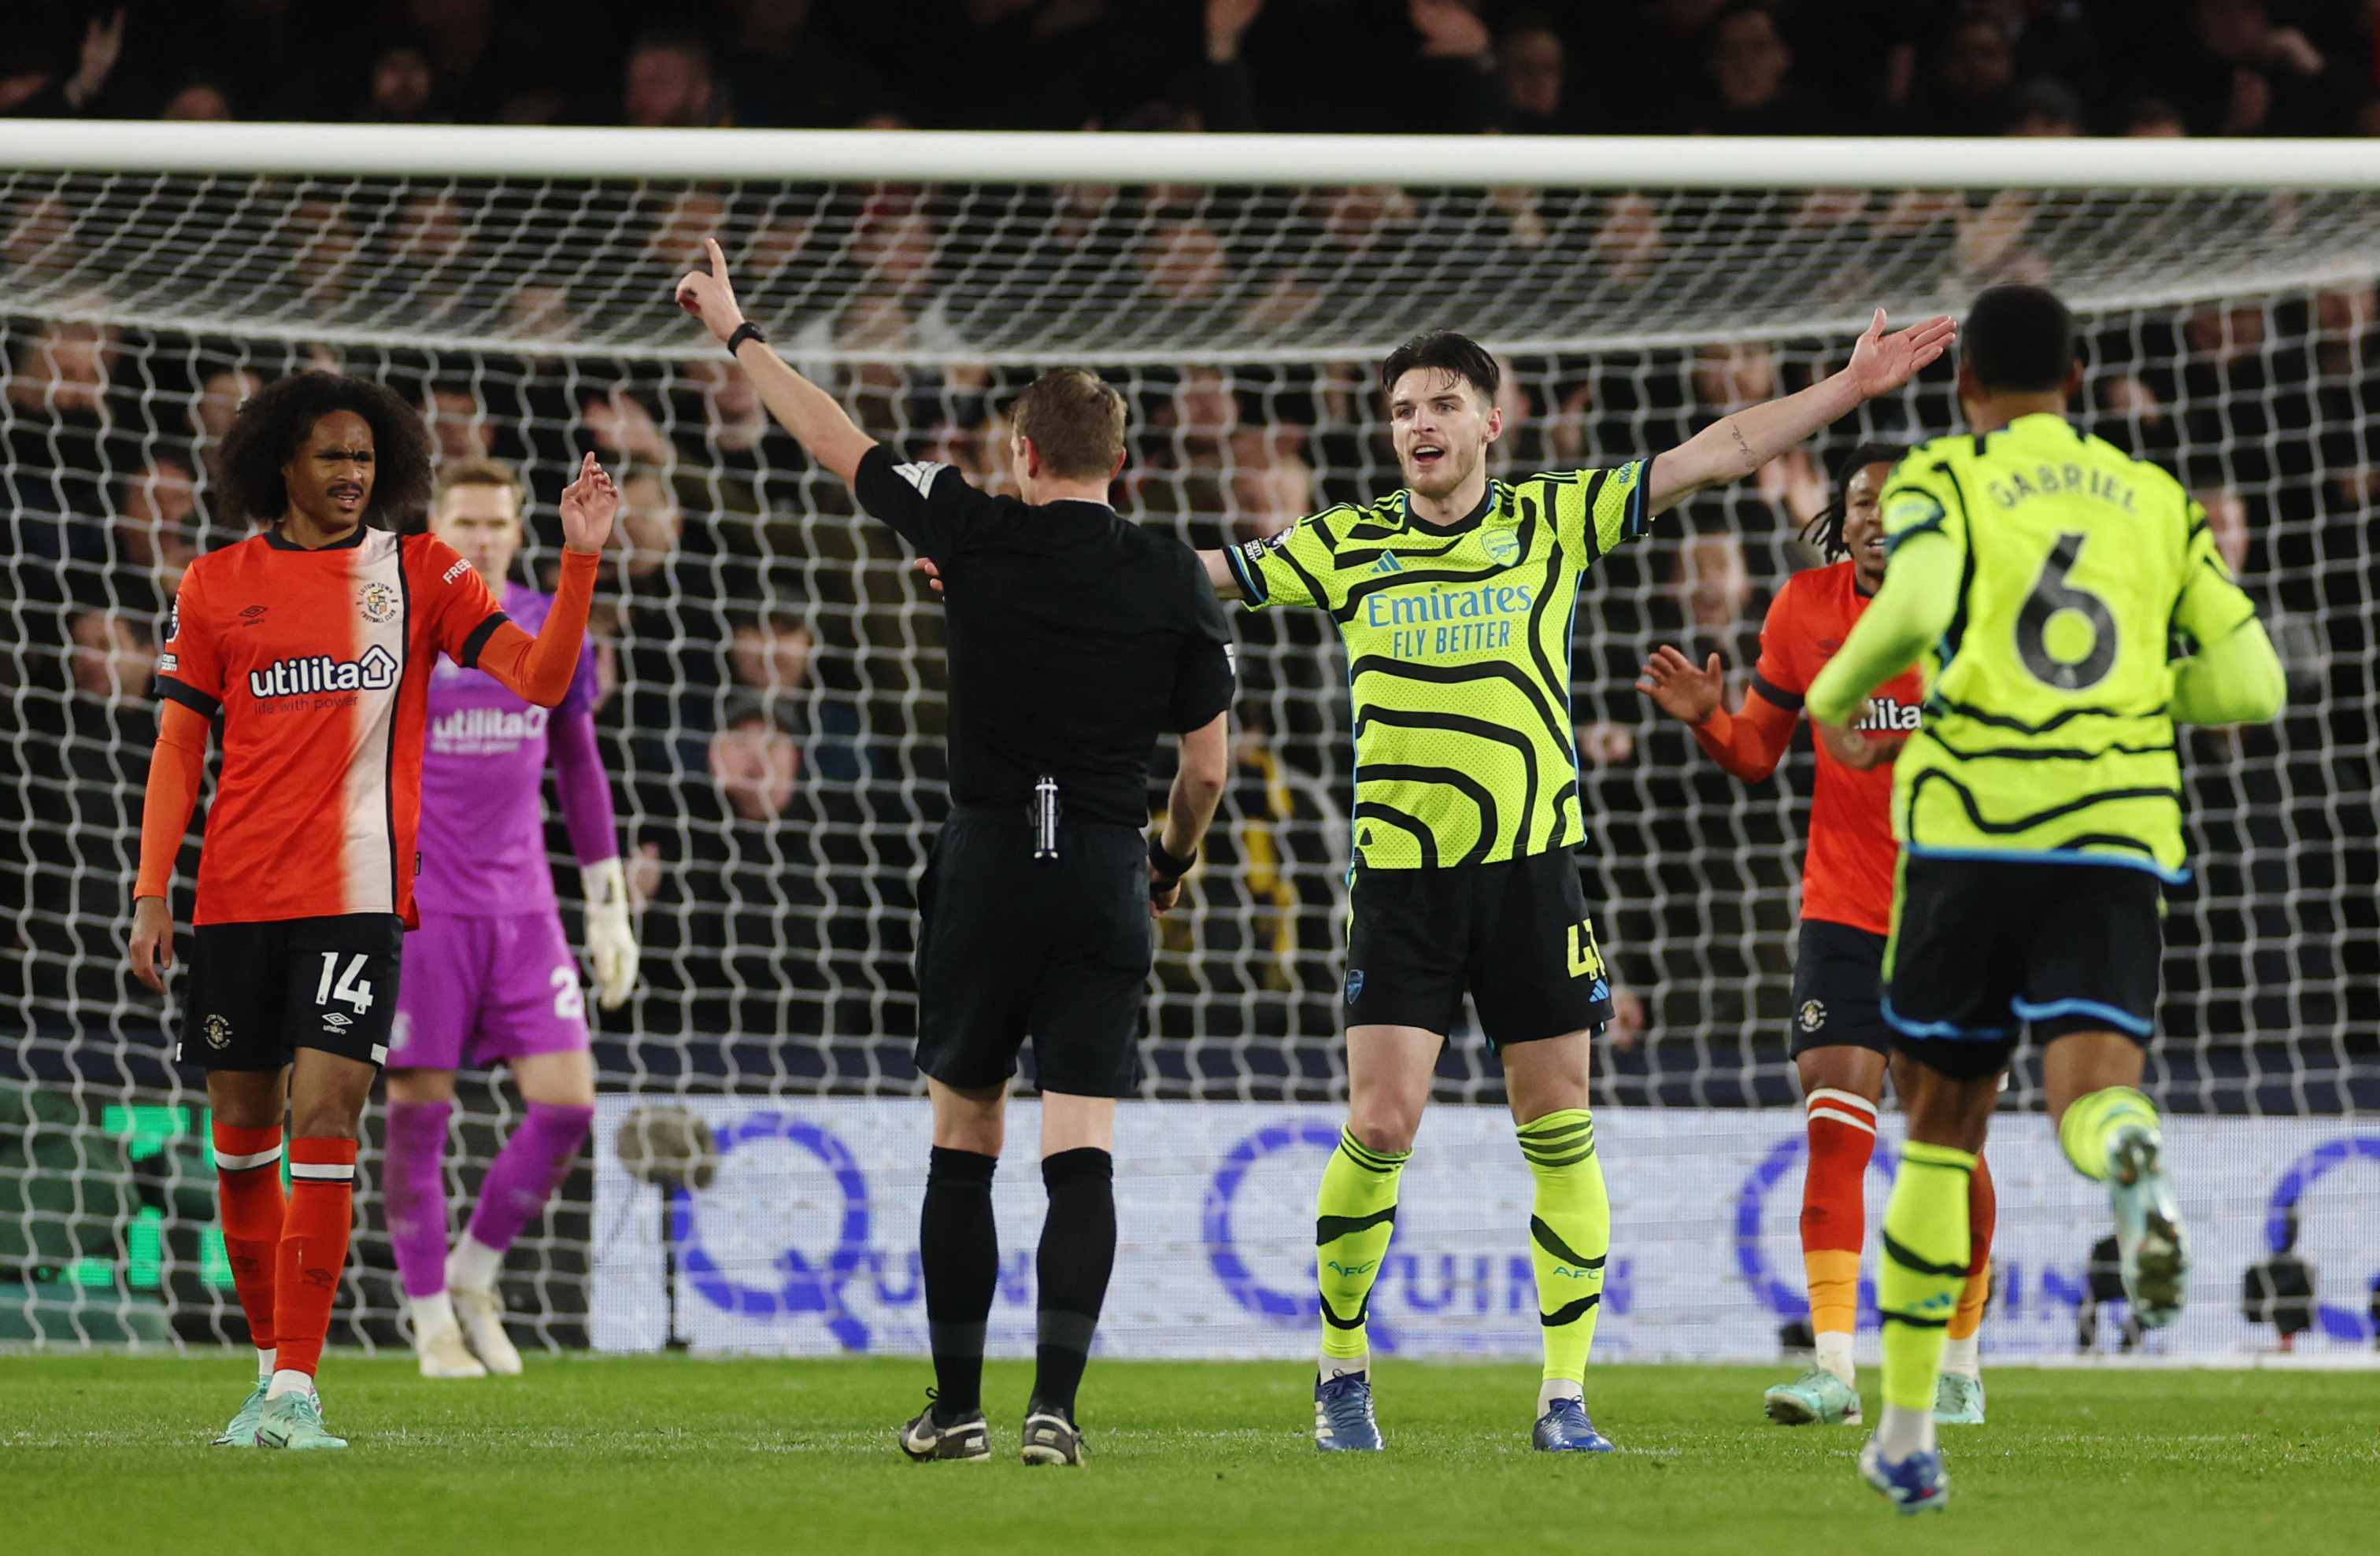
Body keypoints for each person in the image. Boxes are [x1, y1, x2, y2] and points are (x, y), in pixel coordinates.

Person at [1201, 312, 1956, 1454]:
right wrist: (1021, 555)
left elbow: (1723, 448)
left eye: (1442, 405)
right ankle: (1339, 1371)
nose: (1420, 424)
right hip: (1402, 881)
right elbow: (1192, 575)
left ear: (1489, 422)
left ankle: (1562, 1398)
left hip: (1529, 875)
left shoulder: (1549, 518)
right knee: (1379, 1121)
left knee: (1557, 1126)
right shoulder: (1343, 544)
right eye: (1403, 409)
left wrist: (1844, 392)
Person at [676, 240, 1234, 1467]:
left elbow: (832, 438)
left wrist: (735, 328)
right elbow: (1204, 770)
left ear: (1020, 454)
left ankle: (956, 1407)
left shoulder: (971, 527)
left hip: (984, 865)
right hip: (1099, 868)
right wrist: (1169, 862)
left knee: (961, 1141)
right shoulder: (1171, 576)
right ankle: (1056, 1411)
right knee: (1077, 1143)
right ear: (1120, 461)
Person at [1804, 284, 2285, 1512]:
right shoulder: (2154, 500)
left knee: (1938, 1133)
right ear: (2075, 381)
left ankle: (1906, 1435)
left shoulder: (1939, 480)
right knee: (2089, 1092)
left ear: (1964, 389)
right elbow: (2248, 684)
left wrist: (1830, 700)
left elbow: (1908, 611)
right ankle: (2127, 1155)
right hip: (2112, 839)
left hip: (1967, 839)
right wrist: (2126, 696)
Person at [126, 373, 616, 1451]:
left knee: (330, 1119)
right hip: (238, 899)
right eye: (330, 456)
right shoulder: (213, 585)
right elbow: (178, 747)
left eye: (365, 456)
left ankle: (298, 1385)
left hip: (356, 905)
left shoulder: (421, 569)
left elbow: (538, 680)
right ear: (279, 467)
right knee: (242, 1144)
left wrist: (578, 558)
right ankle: (267, 1373)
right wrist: (152, 888)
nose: (352, 473)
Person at [1638, 444, 1998, 1430]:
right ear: (1837, 520)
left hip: (1956, 911)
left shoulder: (1973, 606)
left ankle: (1958, 1362)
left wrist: (1909, 741)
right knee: (1834, 1121)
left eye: (1899, 502)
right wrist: (1710, 721)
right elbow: (1758, 752)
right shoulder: (1802, 607)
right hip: (1839, 908)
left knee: (1945, 1142)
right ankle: (1833, 1366)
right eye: (1859, 502)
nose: (1877, 515)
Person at [381, 456, 637, 1380]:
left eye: (498, 523)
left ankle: (475, 1275)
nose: (483, 537)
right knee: (419, 1115)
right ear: (437, 528)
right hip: (424, 909)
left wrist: (605, 902)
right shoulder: (402, 624)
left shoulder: (546, 622)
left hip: (526, 908)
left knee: (567, 1108)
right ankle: (428, 1323)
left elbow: (578, 762)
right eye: (467, 522)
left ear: (518, 531)